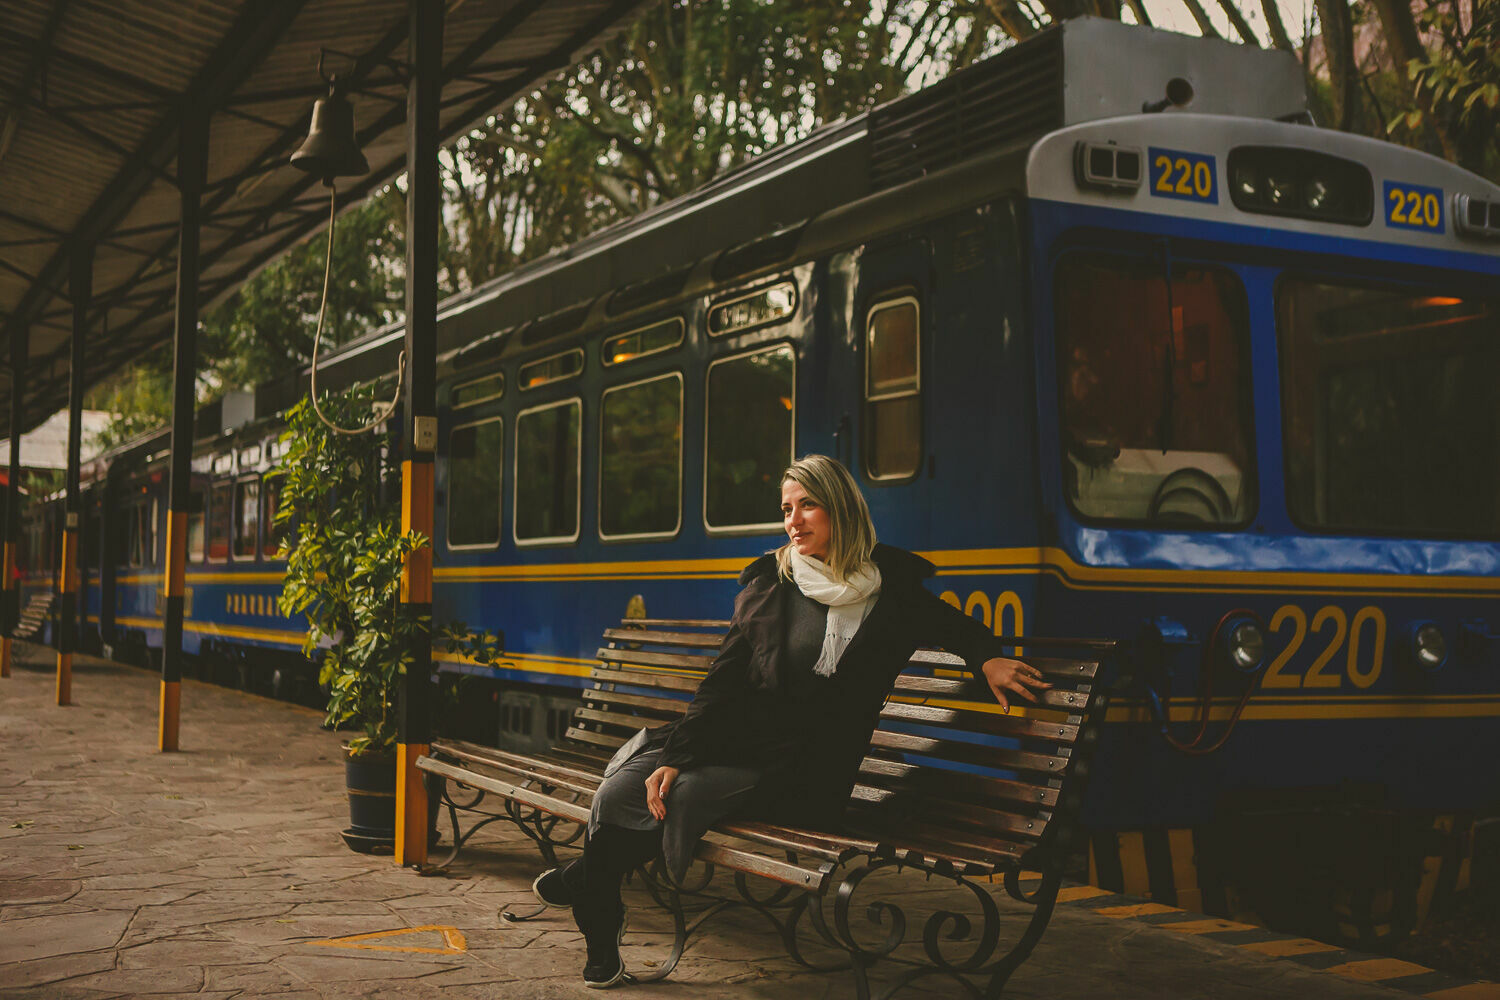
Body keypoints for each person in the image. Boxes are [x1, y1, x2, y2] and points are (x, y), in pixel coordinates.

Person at [530, 454, 1050, 988]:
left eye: (808, 506)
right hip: (736, 742)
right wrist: (678, 755)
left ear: (841, 510)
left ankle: (587, 890)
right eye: (786, 509)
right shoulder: (772, 585)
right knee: (622, 791)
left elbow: (956, 627)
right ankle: (597, 903)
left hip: (807, 773)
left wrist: (987, 657)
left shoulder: (892, 590)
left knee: (677, 797)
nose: (793, 521)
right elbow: (722, 682)